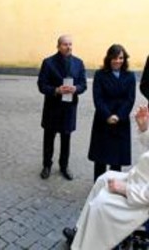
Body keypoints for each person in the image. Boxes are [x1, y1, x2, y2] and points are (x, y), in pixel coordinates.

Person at [63, 105, 149, 250]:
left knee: (101, 205)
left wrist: (126, 189)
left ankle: (89, 245)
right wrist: (144, 128)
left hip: (142, 201)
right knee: (103, 178)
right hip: (139, 181)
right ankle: (80, 233)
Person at [37, 35, 87, 180]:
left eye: (70, 44)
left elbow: (84, 84)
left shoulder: (79, 63)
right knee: (49, 138)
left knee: (66, 139)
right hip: (52, 107)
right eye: (65, 44)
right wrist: (56, 90)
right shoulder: (48, 63)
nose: (68, 47)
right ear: (58, 46)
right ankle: (47, 165)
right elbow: (41, 85)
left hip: (69, 108)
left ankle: (64, 166)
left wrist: (76, 89)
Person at [88, 44, 136, 182]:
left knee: (117, 160)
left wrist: (119, 116)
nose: (118, 61)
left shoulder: (130, 76)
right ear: (109, 59)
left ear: (124, 59)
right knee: (100, 160)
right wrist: (108, 115)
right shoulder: (100, 75)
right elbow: (98, 98)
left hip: (121, 122)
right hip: (103, 120)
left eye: (121, 58)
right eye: (114, 58)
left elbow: (130, 99)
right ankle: (97, 187)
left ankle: (113, 190)